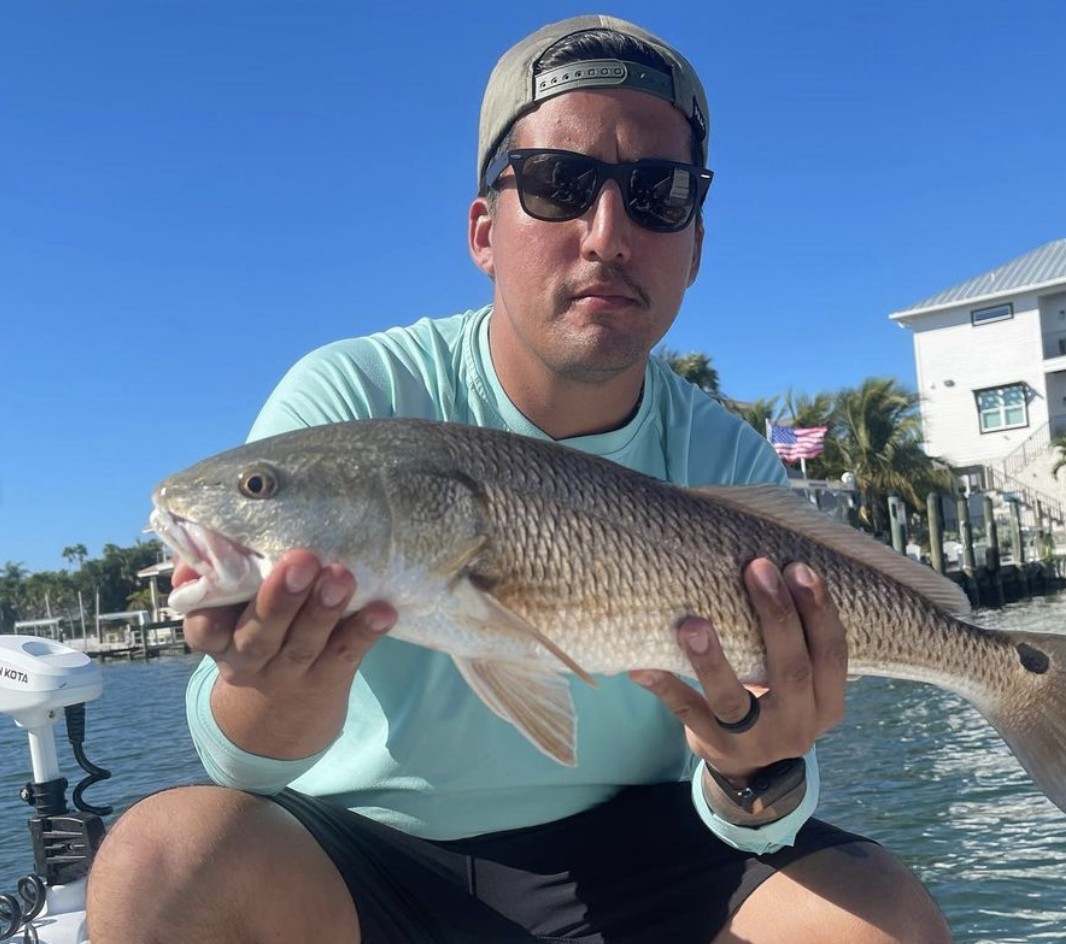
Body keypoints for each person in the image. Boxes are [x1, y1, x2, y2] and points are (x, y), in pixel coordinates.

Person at [87, 15, 950, 944]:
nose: (607, 234)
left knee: (880, 918)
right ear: (483, 230)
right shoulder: (353, 396)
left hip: (648, 849)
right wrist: (268, 695)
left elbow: (757, 813)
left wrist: (759, 770)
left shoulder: (725, 457)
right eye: (558, 184)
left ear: (696, 245)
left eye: (658, 194)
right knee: (160, 865)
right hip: (364, 851)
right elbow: (241, 772)